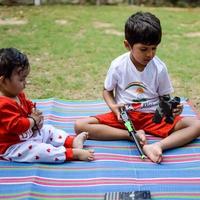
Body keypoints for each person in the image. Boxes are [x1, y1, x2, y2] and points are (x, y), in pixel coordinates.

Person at [75, 11, 200, 163]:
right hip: (125, 118)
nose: (150, 54)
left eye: (154, 48)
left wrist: (171, 109)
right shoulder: (118, 65)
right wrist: (114, 108)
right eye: (144, 49)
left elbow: (165, 97)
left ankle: (157, 147)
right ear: (128, 45)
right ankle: (131, 135)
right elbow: (107, 91)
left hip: (154, 117)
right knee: (80, 125)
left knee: (196, 124)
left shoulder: (159, 68)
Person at [0, 48, 94, 163]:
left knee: (48, 130)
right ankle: (72, 153)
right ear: (3, 81)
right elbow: (16, 125)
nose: (25, 83)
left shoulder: (17, 94)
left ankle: (72, 142)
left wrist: (35, 113)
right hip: (13, 146)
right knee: (40, 151)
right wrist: (33, 120)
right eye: (21, 79)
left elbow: (28, 105)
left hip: (29, 134)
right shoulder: (2, 104)